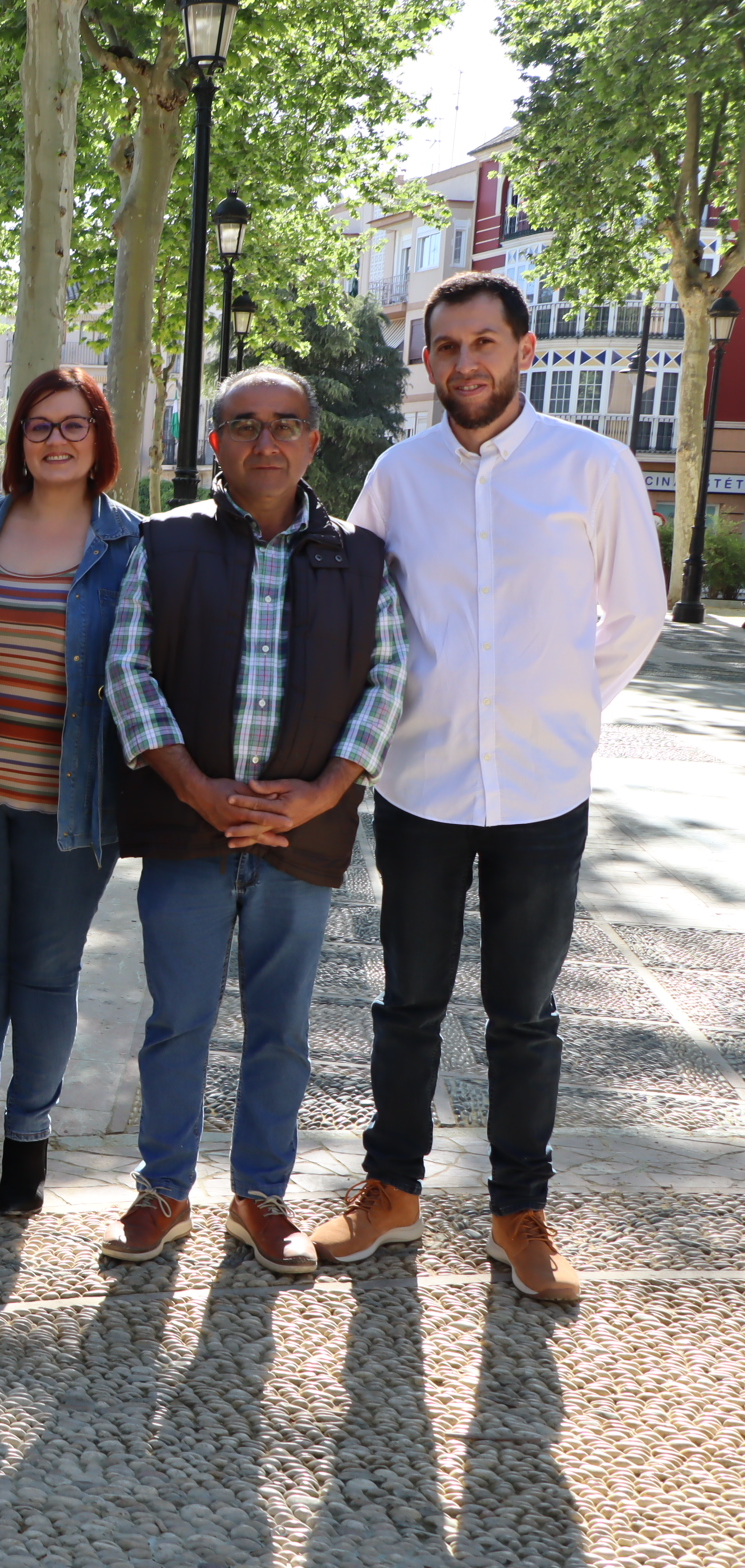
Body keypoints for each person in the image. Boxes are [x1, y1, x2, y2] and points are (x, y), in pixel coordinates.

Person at [310, 272, 664, 1302]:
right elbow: (359, 605)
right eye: (447, 347)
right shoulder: (398, 473)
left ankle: (521, 1215)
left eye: (484, 343)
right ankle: (391, 1191)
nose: (466, 362)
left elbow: (633, 616)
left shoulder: (592, 467)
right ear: (428, 362)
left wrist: (561, 707)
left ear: (525, 349)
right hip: (421, 783)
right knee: (407, 1003)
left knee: (526, 1013)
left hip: (544, 791)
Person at [100, 366, 406, 1274]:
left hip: (299, 835)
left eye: (284, 425)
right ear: (215, 442)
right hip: (189, 828)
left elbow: (389, 680)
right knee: (177, 1020)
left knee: (283, 1028)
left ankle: (261, 1198)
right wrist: (195, 785)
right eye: (243, 425)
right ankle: (163, 1192)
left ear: (314, 441)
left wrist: (324, 792)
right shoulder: (164, 544)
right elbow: (127, 669)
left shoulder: (363, 558)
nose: (264, 443)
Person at [0, 367, 139, 1217]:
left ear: (99, 440)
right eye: (39, 427)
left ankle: (27, 1140)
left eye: (74, 425)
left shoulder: (130, 545)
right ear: (19, 443)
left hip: (72, 808)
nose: (56, 440)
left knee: (47, 976)